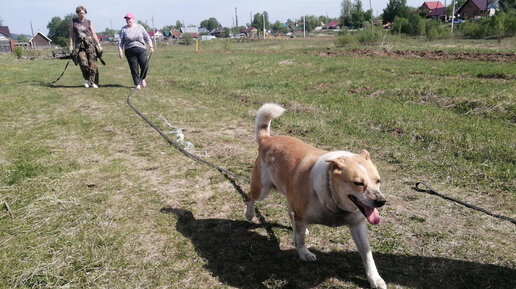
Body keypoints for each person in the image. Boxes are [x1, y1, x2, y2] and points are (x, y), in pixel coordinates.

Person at [118, 13, 154, 89]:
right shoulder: (123, 29)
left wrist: (151, 46)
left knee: (145, 65)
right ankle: (137, 83)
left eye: (129, 19)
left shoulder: (140, 27)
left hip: (141, 49)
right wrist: (120, 51)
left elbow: (147, 37)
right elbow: (120, 42)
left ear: (133, 19)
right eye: (126, 19)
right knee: (134, 68)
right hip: (129, 50)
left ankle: (142, 78)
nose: (128, 20)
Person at [69, 5, 102, 88]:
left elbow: (93, 34)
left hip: (89, 45)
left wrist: (98, 44)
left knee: (93, 64)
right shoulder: (73, 22)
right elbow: (71, 35)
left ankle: (93, 82)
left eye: (84, 13)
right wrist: (71, 45)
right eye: (80, 13)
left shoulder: (89, 22)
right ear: (77, 13)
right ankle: (86, 79)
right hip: (79, 46)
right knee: (83, 64)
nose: (82, 14)